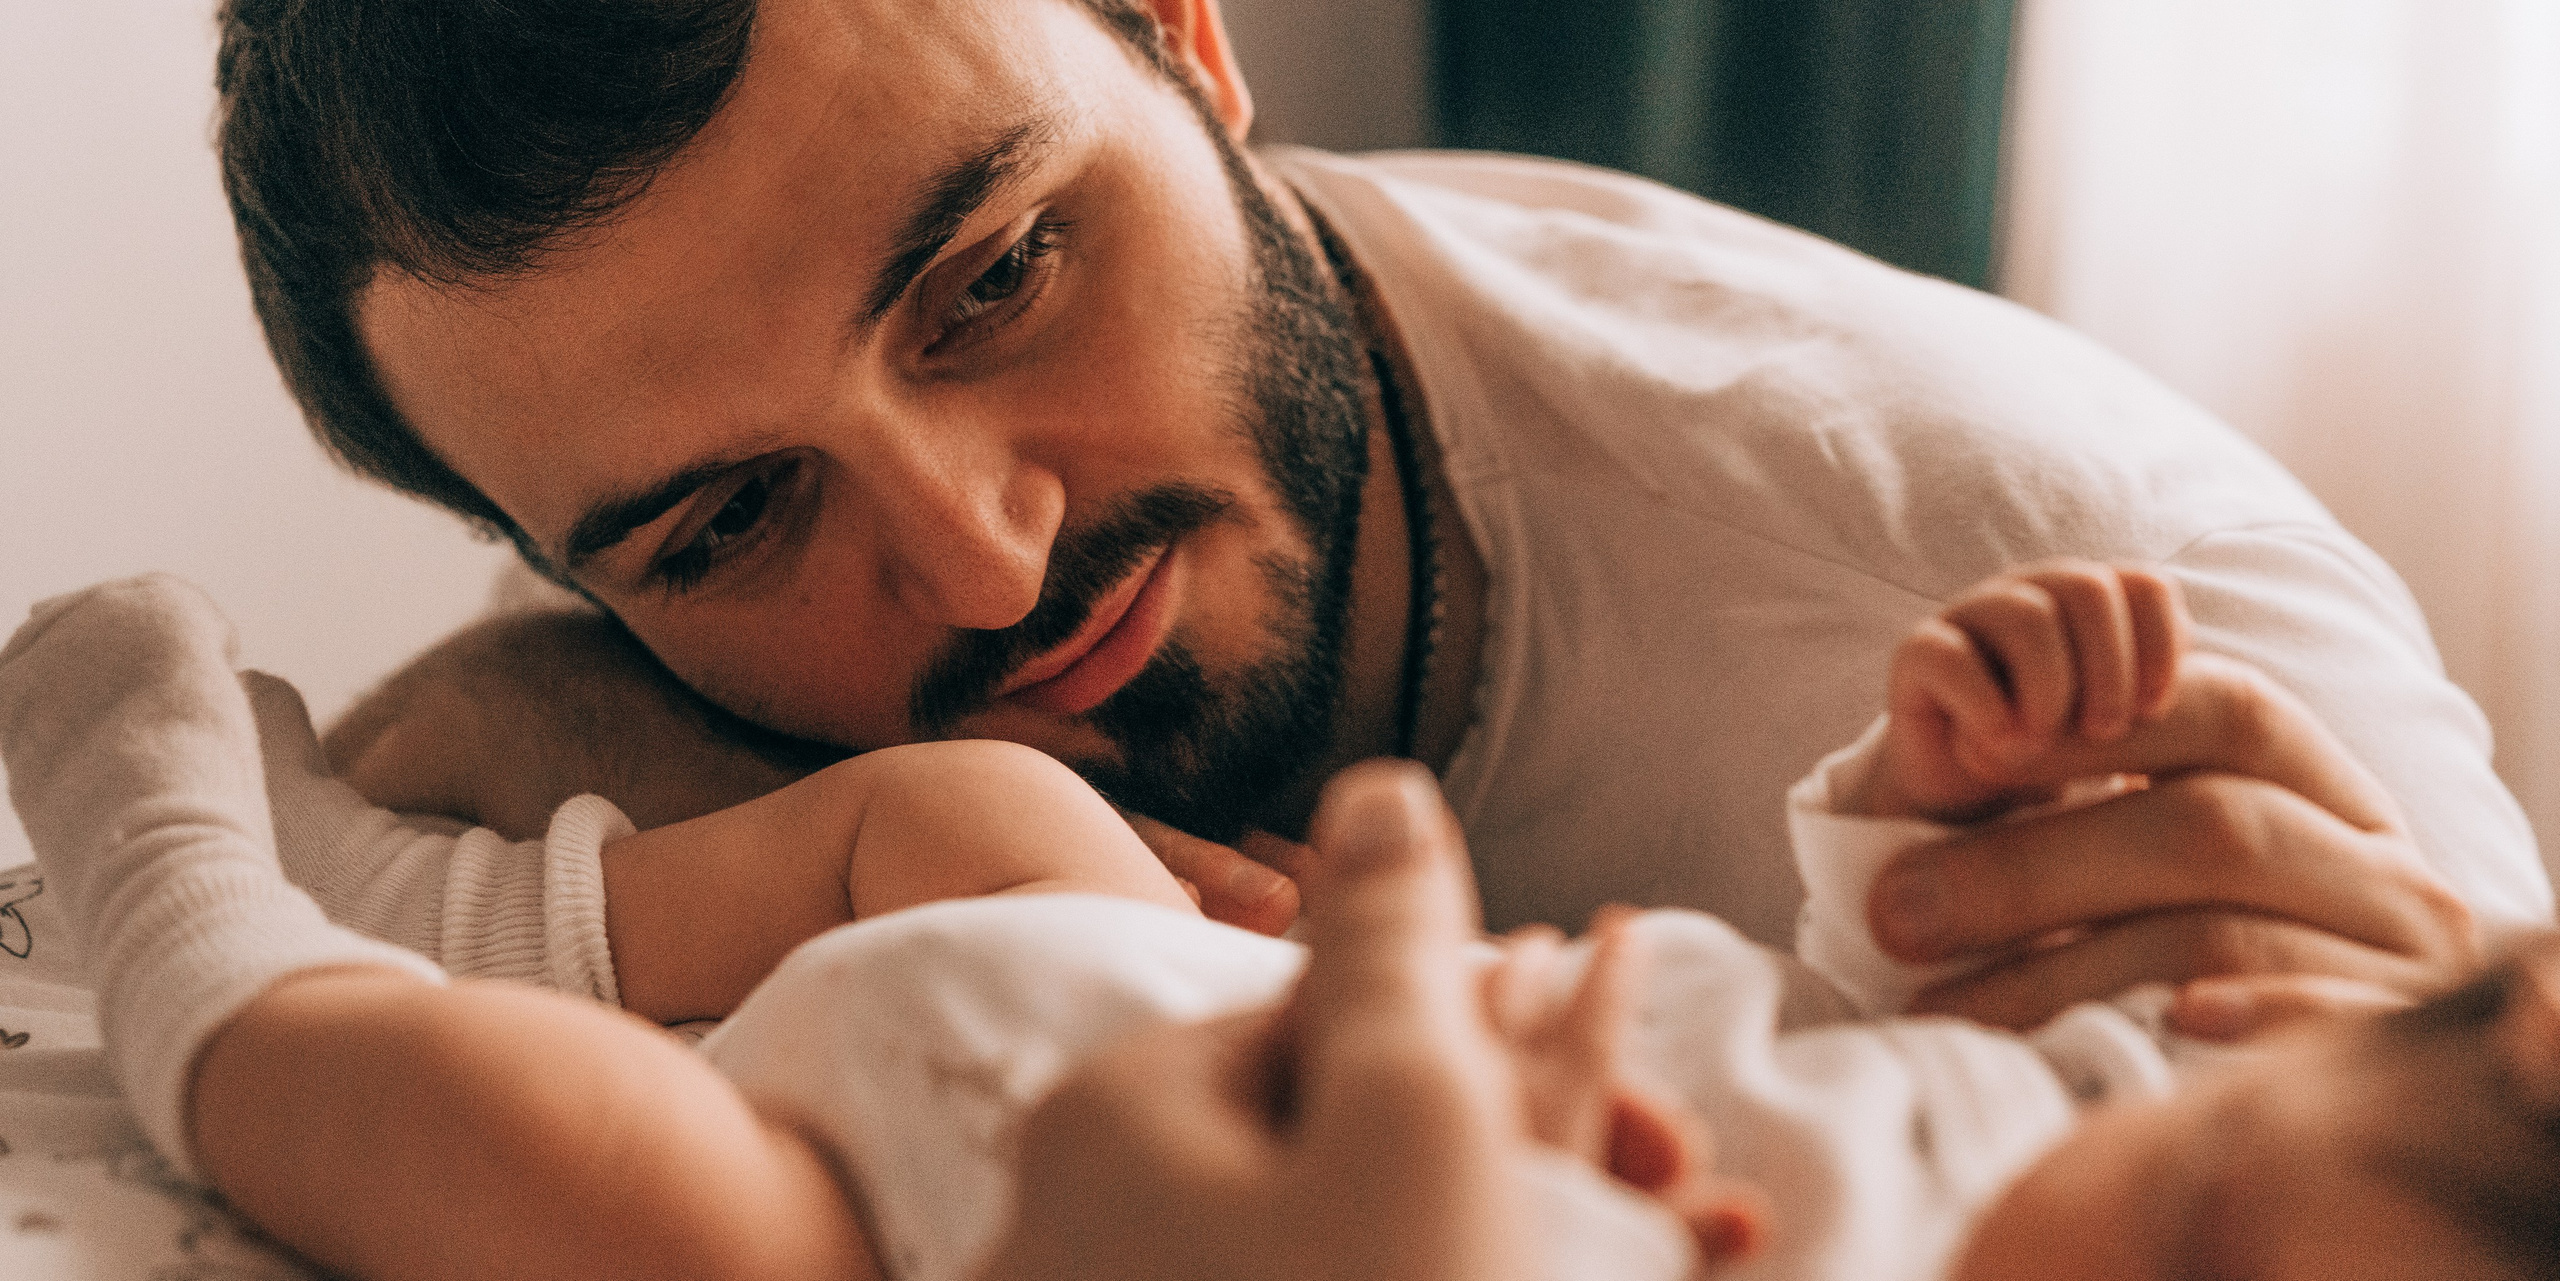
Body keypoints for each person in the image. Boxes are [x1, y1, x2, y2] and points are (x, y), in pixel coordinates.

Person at [218, 0, 2539, 1036]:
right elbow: (348, 815)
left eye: (1000, 276)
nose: (989, 564)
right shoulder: (698, 642)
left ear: (1173, 7)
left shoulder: (2034, 612)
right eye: (733, 521)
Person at [11, 558, 2555, 1281]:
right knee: (964, 818)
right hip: (1192, 988)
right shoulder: (2208, 1043)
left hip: (957, 1232)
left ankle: (191, 905)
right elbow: (1908, 990)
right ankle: (400, 878)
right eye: (2204, 1252)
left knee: (585, 1193)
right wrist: (1939, 807)